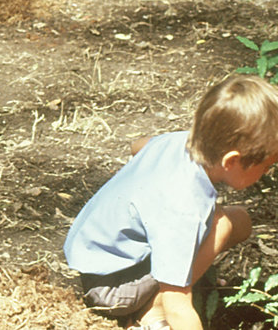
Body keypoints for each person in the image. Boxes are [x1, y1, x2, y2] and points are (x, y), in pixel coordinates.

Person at [64, 75, 278, 330]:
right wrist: (173, 305)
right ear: (231, 161)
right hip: (113, 290)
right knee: (222, 224)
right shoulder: (183, 208)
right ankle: (152, 311)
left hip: (101, 260)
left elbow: (138, 146)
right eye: (266, 166)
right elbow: (179, 306)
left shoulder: (182, 142)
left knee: (239, 220)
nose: (268, 172)